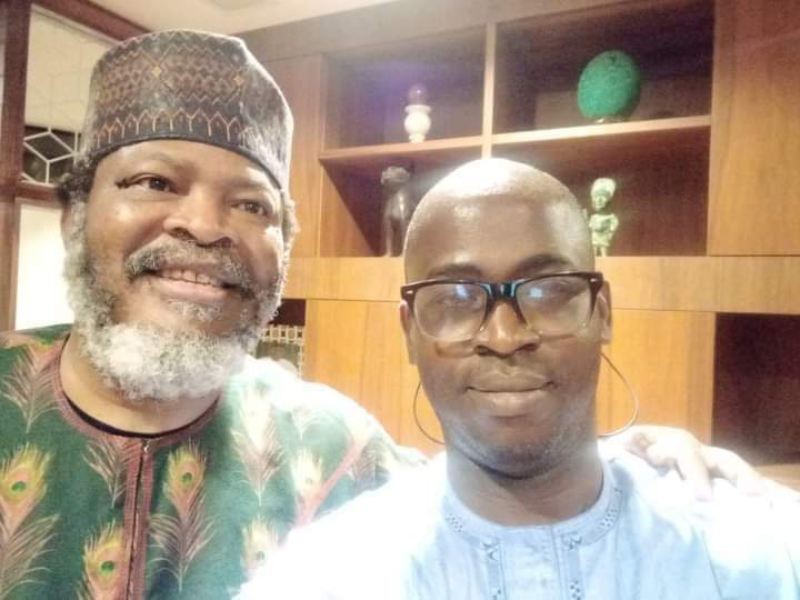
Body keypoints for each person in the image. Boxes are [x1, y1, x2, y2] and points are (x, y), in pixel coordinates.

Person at [0, 30, 763, 599]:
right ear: (75, 215)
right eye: (156, 181)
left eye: (250, 203)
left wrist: (628, 460)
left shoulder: (330, 446)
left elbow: (492, 490)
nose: (205, 226)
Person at [239, 159, 800, 599]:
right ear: (410, 332)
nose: (505, 337)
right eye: (455, 298)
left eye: (549, 290)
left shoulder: (754, 547)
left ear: (602, 312)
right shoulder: (332, 575)